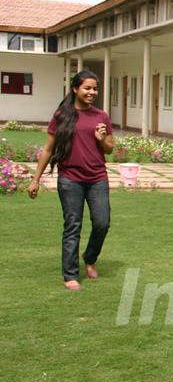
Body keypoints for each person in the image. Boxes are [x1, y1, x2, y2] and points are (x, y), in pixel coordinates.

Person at [27, 70, 113, 292]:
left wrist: (102, 139)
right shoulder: (62, 115)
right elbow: (48, 149)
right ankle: (71, 274)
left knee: (102, 223)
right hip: (70, 179)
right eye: (87, 88)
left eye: (95, 88)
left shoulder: (101, 116)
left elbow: (110, 149)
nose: (92, 92)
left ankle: (90, 257)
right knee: (73, 225)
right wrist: (35, 179)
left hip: (97, 178)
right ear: (75, 89)